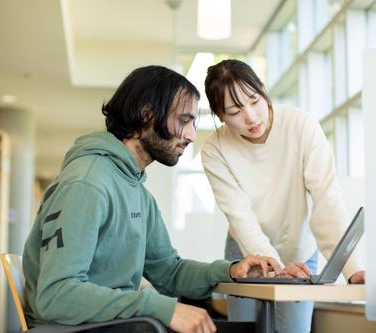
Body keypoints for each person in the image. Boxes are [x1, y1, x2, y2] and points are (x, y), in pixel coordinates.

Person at [22, 65, 283, 333]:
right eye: (184, 120)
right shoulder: (87, 183)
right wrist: (161, 307)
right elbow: (56, 295)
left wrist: (231, 271)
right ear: (147, 116)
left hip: (117, 323)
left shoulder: (137, 192)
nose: (191, 135)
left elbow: (169, 272)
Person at [200, 59, 365, 333]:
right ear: (220, 116)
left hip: (300, 247)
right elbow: (240, 216)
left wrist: (353, 267)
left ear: (263, 92)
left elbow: (327, 197)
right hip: (246, 251)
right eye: (234, 111)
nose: (251, 117)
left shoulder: (301, 125)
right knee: (247, 329)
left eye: (254, 100)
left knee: (294, 330)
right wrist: (271, 264)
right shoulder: (214, 149)